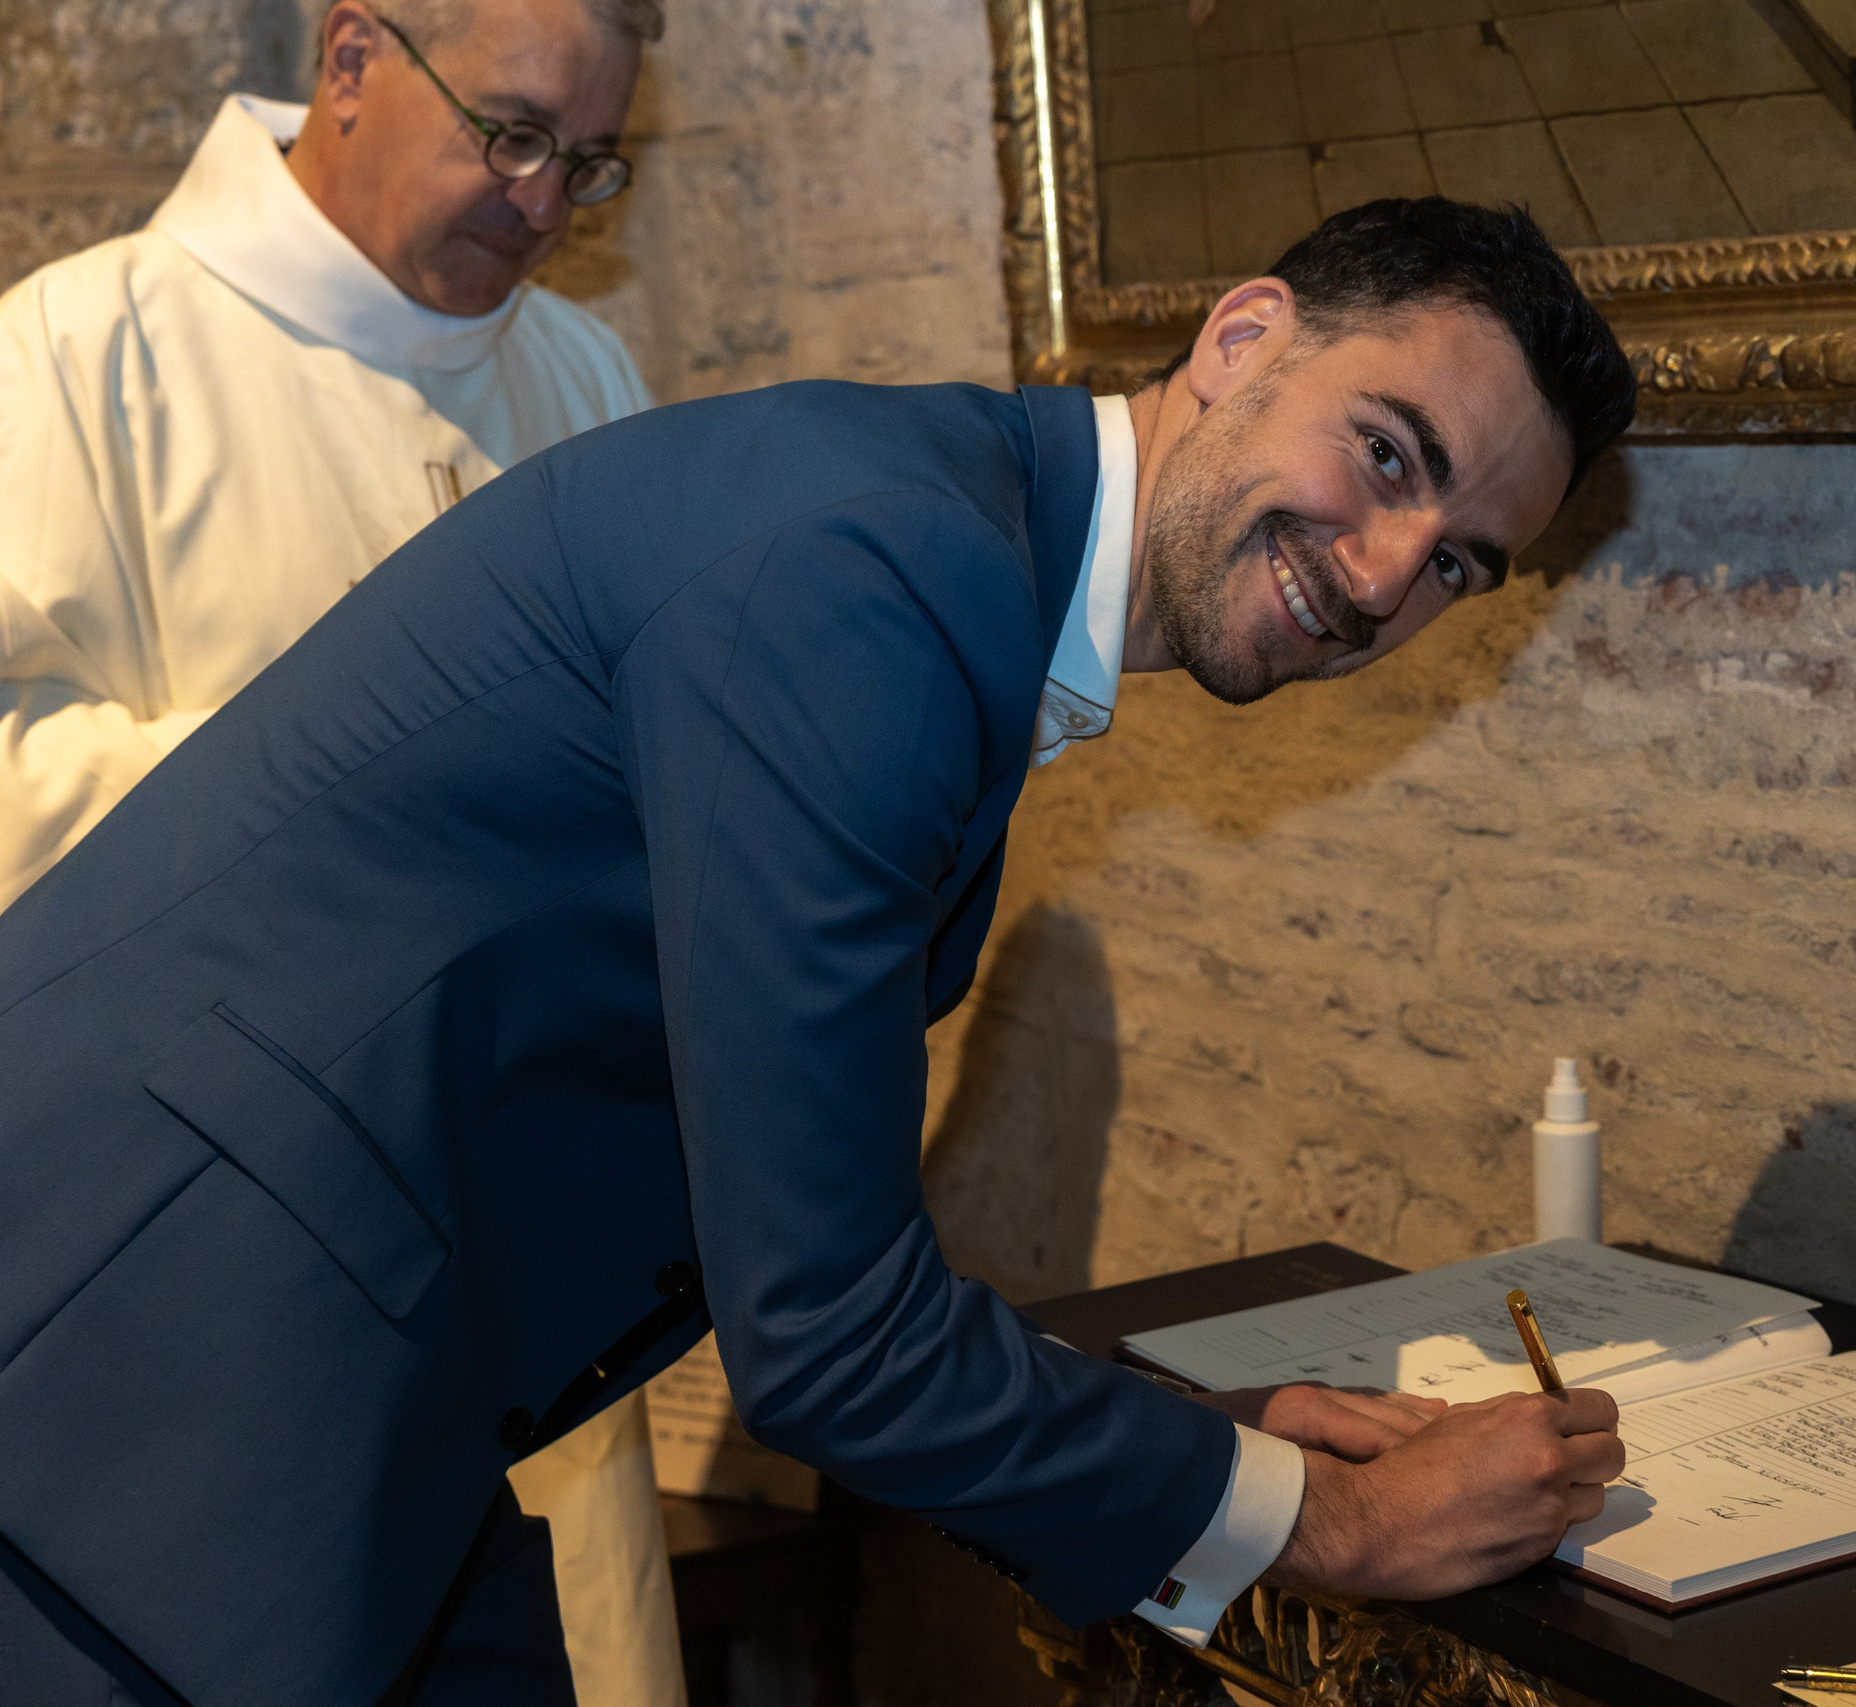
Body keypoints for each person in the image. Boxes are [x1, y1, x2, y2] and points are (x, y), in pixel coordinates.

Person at [0, 196, 1640, 1707]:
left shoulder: (954, 540)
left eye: (1456, 562)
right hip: (118, 1387)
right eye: (1387, 453)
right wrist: (1341, 1528)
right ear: (1241, 337)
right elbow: (832, 1336)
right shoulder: (882, 570)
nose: (1384, 575)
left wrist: (1204, 1446)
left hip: (344, 1393)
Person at [0, 1, 685, 1702]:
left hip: (523, 1246)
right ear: (354, 60)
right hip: (204, 1291)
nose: (543, 204)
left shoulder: (582, 374)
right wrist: (385, 821)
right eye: (510, 134)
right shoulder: (75, 355)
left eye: (588, 162)